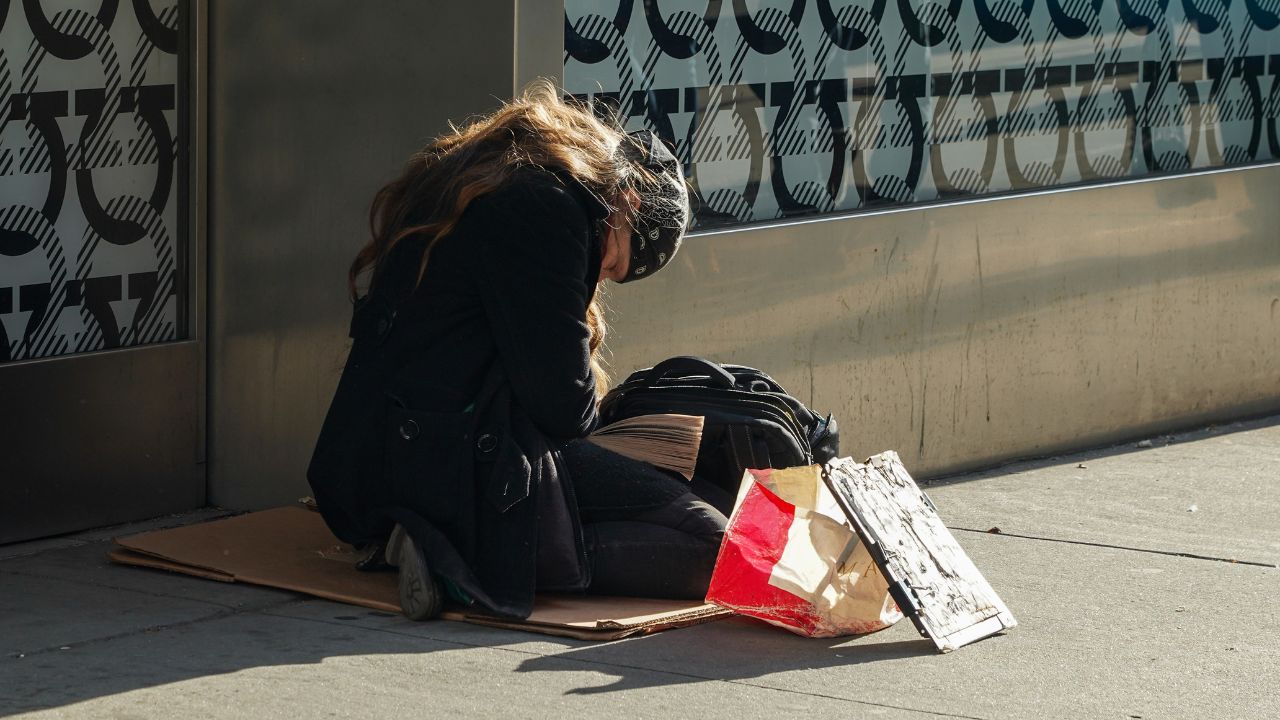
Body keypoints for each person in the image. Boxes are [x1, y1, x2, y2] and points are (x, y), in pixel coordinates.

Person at [306, 84, 731, 621]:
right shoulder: (548, 209)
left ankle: (422, 535)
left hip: (389, 457)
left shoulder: (483, 173)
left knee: (691, 502)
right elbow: (561, 407)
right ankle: (452, 552)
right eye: (612, 263)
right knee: (714, 543)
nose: (599, 276)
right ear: (630, 204)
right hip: (456, 459)